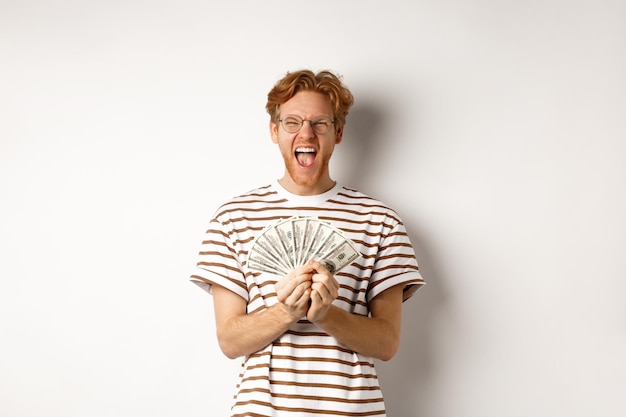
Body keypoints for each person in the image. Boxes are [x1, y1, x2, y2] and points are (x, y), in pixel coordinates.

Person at [190, 69, 424, 417]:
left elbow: (387, 343)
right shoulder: (232, 218)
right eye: (292, 122)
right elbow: (230, 341)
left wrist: (325, 315)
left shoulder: (381, 220)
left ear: (338, 132)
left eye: (320, 123)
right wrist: (287, 311)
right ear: (274, 130)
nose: (306, 133)